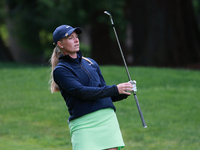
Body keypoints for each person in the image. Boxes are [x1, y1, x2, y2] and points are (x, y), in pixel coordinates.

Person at [49, 24, 134, 150]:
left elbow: (103, 93)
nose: (76, 40)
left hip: (107, 119)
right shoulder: (61, 70)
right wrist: (115, 89)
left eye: (76, 37)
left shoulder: (91, 63)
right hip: (84, 123)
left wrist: (123, 91)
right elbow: (81, 92)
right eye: (70, 38)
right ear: (60, 44)